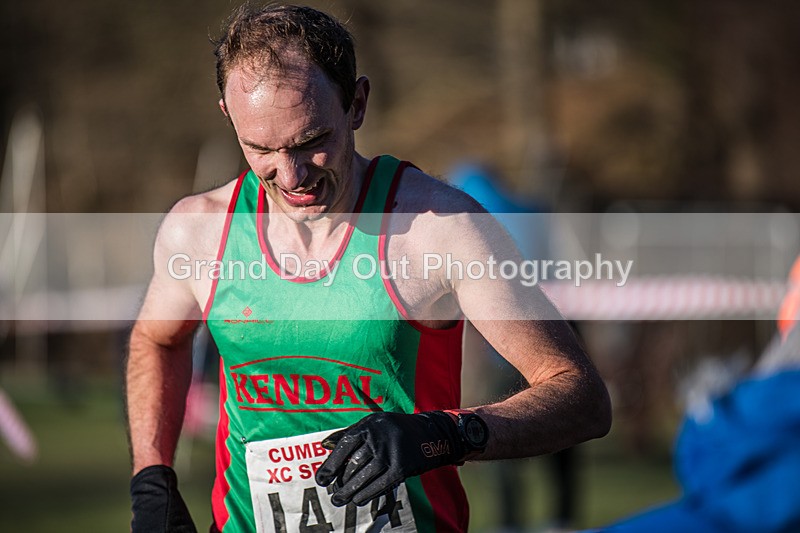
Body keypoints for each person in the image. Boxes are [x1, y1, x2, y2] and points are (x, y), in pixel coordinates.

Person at [125, 4, 611, 533]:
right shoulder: (198, 232)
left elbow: (580, 397)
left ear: (356, 104)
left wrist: (442, 434)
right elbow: (158, 340)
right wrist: (152, 480)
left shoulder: (440, 227)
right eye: (260, 148)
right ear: (228, 115)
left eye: (311, 142)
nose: (290, 176)